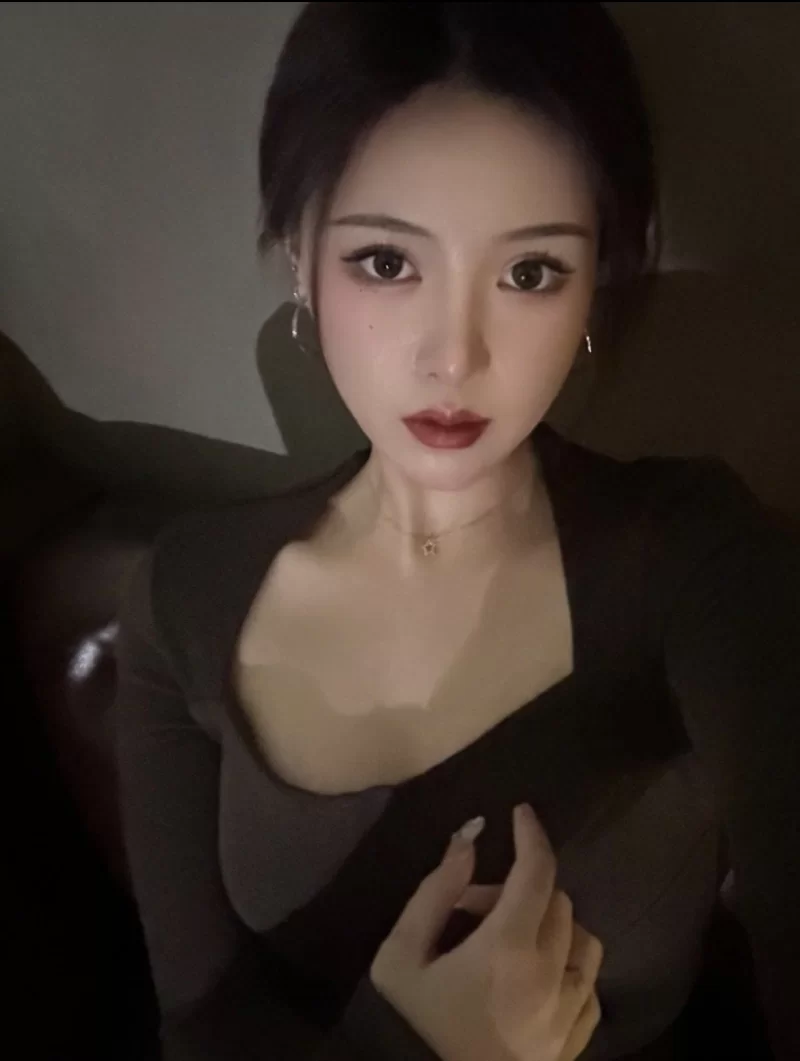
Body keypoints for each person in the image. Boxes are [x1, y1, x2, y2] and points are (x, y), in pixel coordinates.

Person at [113, 4, 799, 1060]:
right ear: (299, 255)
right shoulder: (188, 591)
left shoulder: (698, 562)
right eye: (388, 262)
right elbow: (203, 1024)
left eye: (529, 273)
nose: (453, 356)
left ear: (591, 286)